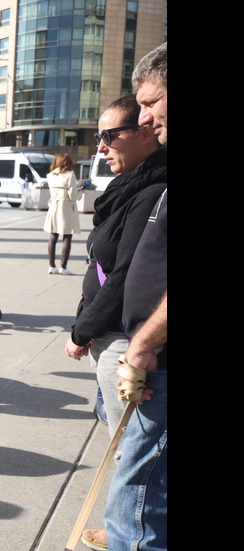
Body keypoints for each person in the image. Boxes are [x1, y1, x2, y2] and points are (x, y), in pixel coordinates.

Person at [90, 42, 167, 551]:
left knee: (135, 499)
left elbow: (119, 273)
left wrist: (142, 344)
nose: (144, 118)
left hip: (154, 359)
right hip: (146, 351)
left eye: (151, 102)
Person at [65, 93, 166, 436]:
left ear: (145, 133)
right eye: (98, 138)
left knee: (127, 453)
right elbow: (99, 262)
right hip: (109, 337)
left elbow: (124, 275)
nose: (101, 148)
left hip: (123, 342)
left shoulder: (151, 192)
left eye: (109, 136)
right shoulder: (129, 188)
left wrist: (82, 331)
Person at [42, 153, 82, 275]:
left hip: (54, 206)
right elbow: (73, 195)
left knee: (53, 237)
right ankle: (63, 267)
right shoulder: (70, 175)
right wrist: (81, 191)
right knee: (67, 237)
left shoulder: (50, 175)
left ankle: (51, 266)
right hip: (66, 208)